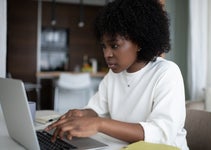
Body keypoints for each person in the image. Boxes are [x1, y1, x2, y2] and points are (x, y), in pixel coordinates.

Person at [45, 0, 189, 149]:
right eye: (104, 46)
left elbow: (162, 134)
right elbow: (97, 110)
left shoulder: (166, 73)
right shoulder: (114, 75)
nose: (107, 54)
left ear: (139, 42)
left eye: (114, 45)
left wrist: (99, 124)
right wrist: (82, 114)